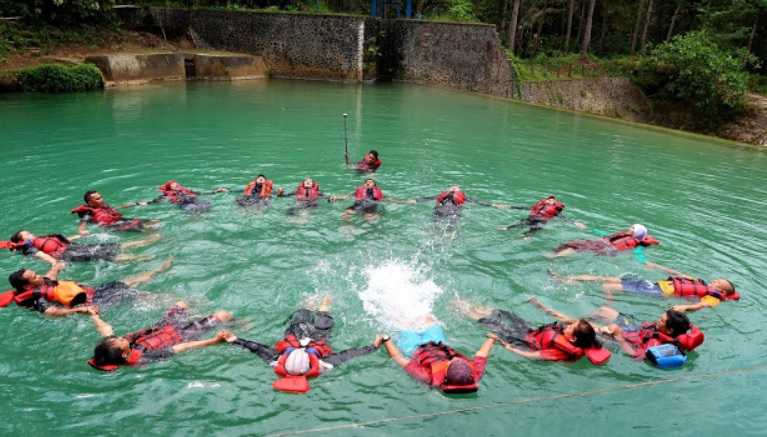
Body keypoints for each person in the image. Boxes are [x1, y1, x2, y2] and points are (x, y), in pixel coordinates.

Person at [225, 295, 382, 393]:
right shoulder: (323, 365)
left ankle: (313, 304)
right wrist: (373, 347)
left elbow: (257, 348)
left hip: (299, 336)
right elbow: (349, 354)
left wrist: (235, 340)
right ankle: (324, 302)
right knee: (322, 316)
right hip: (313, 338)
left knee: (305, 314)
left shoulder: (276, 361)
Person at [455, 298, 610, 365]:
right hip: (530, 331)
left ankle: (464, 310)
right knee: (504, 313)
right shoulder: (572, 334)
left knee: (493, 323)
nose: (567, 326)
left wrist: (510, 348)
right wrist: (541, 306)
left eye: (570, 328)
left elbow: (533, 355)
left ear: (573, 339)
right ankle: (476, 308)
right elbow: (561, 318)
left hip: (523, 340)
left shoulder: (560, 352)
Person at [0, 257, 173, 316]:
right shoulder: (36, 297)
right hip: (88, 303)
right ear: (27, 285)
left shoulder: (41, 280)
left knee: (126, 281)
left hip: (93, 291)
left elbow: (50, 277)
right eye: (34, 276)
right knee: (135, 295)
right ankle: (169, 303)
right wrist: (77, 311)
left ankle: (157, 271)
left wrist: (56, 266)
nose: (38, 275)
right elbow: (51, 313)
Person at [88, 301, 233, 371]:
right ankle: (240, 323)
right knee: (223, 315)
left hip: (162, 328)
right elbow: (184, 346)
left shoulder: (110, 348)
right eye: (120, 341)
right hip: (183, 335)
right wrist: (215, 341)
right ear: (125, 354)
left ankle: (198, 314)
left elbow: (105, 330)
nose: (121, 338)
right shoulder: (145, 359)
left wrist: (94, 316)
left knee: (181, 304)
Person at [380, 314, 497, 393]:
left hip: (414, 349)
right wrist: (492, 337)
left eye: (451, 362)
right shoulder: (476, 372)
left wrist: (386, 339)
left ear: (446, 373)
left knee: (403, 323)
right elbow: (482, 353)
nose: (452, 359)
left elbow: (398, 358)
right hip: (437, 344)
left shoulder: (426, 376)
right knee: (429, 319)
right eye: (455, 359)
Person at [550, 262, 740, 310]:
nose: (714, 281)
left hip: (656, 292)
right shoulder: (701, 283)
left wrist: (686, 307)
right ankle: (566, 279)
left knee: (608, 287)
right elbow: (678, 275)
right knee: (605, 277)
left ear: (722, 291)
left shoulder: (713, 298)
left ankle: (606, 309)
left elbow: (702, 305)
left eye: (718, 283)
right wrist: (656, 266)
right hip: (654, 285)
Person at [589, 305, 704, 361]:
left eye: (662, 320)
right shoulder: (665, 330)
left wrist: (618, 336)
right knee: (604, 310)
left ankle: (578, 324)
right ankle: (585, 321)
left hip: (625, 340)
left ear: (669, 330)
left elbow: (635, 355)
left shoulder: (655, 344)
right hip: (635, 329)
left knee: (591, 327)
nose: (658, 320)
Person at [4, 230, 159, 266]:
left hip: (74, 248)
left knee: (110, 246)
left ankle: (146, 242)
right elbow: (42, 255)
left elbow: (59, 241)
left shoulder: (39, 239)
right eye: (26, 235)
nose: (30, 234)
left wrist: (78, 236)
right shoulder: (29, 248)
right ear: (21, 241)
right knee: (104, 255)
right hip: (69, 255)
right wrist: (55, 264)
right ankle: (142, 258)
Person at [72, 191, 155, 235]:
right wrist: (82, 231)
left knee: (153, 221)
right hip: (110, 226)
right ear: (90, 203)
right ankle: (154, 237)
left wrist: (133, 204)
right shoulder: (89, 211)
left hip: (118, 220)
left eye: (101, 197)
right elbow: (83, 223)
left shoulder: (103, 206)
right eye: (98, 199)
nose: (101, 199)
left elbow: (113, 209)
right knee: (142, 226)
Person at [552, 223, 659, 257]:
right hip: (601, 244)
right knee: (573, 242)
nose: (629, 228)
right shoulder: (627, 236)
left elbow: (614, 250)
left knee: (576, 247)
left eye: (632, 228)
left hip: (603, 247)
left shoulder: (632, 241)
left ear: (637, 233)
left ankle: (555, 256)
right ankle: (555, 253)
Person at [498, 195, 586, 235]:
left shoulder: (546, 207)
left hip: (535, 219)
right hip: (539, 221)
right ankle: (520, 235)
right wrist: (507, 206)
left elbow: (524, 207)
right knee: (531, 228)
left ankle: (507, 229)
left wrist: (575, 223)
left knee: (525, 224)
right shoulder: (550, 209)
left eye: (552, 200)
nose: (550, 201)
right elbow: (564, 218)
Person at [409, 185, 508, 220]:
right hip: (454, 212)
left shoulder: (441, 196)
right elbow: (480, 203)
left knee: (435, 222)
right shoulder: (464, 197)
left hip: (440, 211)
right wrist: (496, 205)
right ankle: (450, 238)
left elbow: (421, 200)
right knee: (452, 227)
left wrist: (402, 201)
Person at [128, 180, 228, 213]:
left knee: (207, 205)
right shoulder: (165, 195)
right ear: (169, 188)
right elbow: (154, 202)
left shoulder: (185, 190)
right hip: (183, 203)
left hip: (192, 199)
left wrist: (216, 191)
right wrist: (138, 203)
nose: (176, 186)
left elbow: (200, 193)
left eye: (176, 184)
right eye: (174, 185)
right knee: (194, 210)